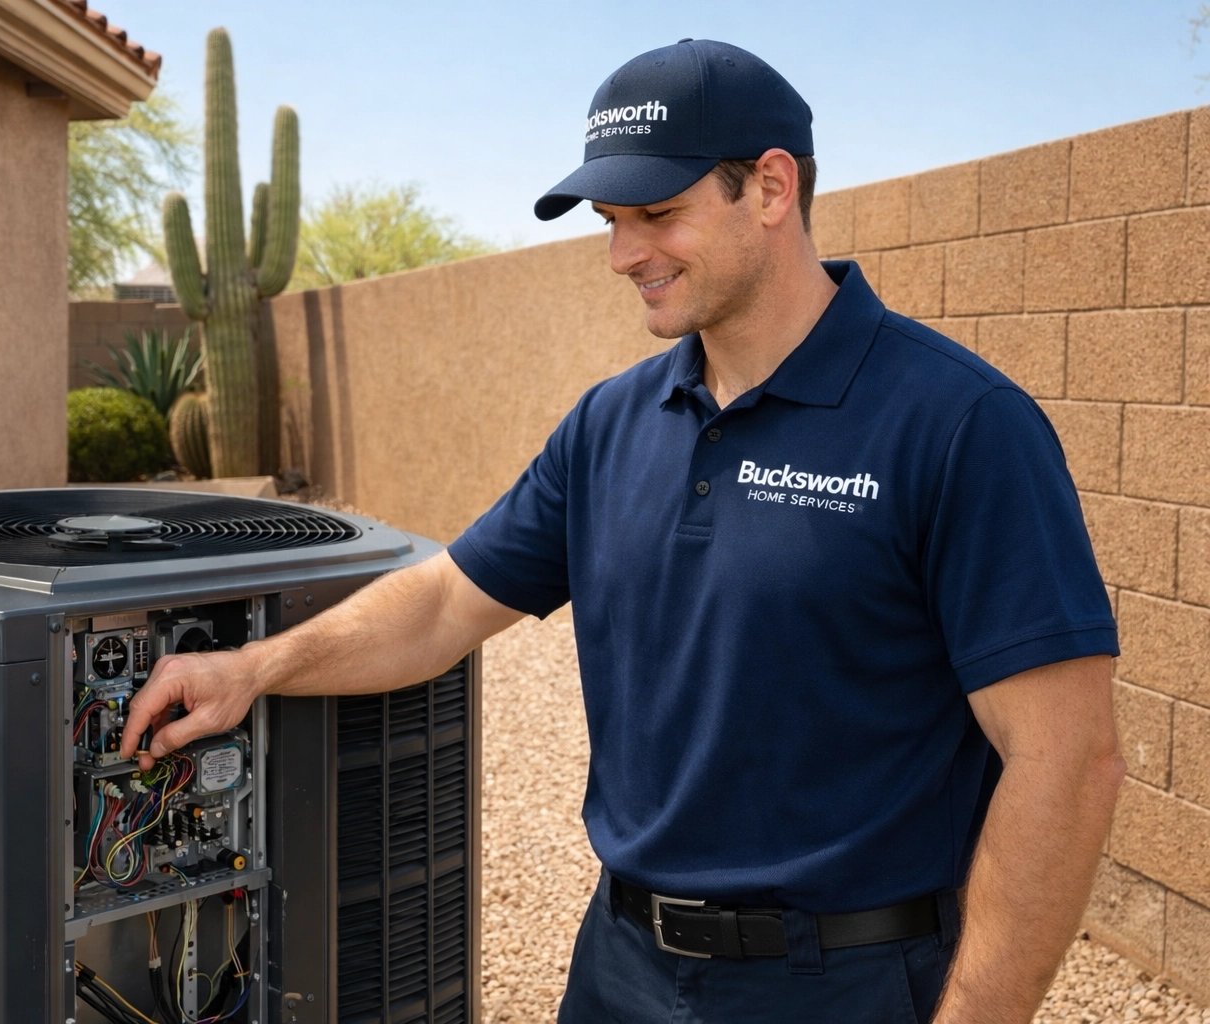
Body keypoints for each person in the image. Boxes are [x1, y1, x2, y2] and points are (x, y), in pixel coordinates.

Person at [121, 39, 1125, 1024]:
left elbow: (1065, 760)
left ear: (770, 188)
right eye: (610, 220)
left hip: (846, 983)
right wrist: (254, 667)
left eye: (657, 213)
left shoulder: (959, 424)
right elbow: (440, 602)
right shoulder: (609, 426)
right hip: (620, 968)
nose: (623, 254)